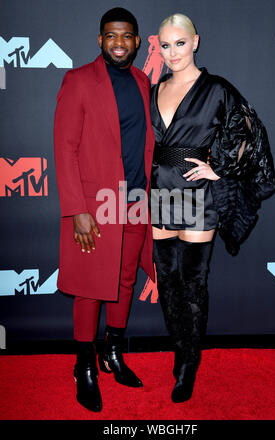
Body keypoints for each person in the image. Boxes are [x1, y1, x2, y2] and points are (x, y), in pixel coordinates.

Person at [150, 13, 275, 403]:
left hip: (194, 193)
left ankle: (189, 363)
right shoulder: (155, 87)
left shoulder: (217, 89)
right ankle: (180, 346)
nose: (173, 53)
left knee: (193, 280)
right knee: (168, 280)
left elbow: (250, 132)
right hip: (159, 190)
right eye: (165, 45)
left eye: (180, 43)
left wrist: (219, 167)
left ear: (195, 42)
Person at [54, 7, 155, 412]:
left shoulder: (142, 80)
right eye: (111, 36)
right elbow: (65, 148)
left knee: (124, 280)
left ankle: (112, 354)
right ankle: (84, 367)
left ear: (136, 41)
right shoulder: (78, 80)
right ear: (100, 40)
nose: (119, 43)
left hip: (134, 202)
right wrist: (77, 209)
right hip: (94, 206)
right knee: (89, 288)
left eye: (126, 36)